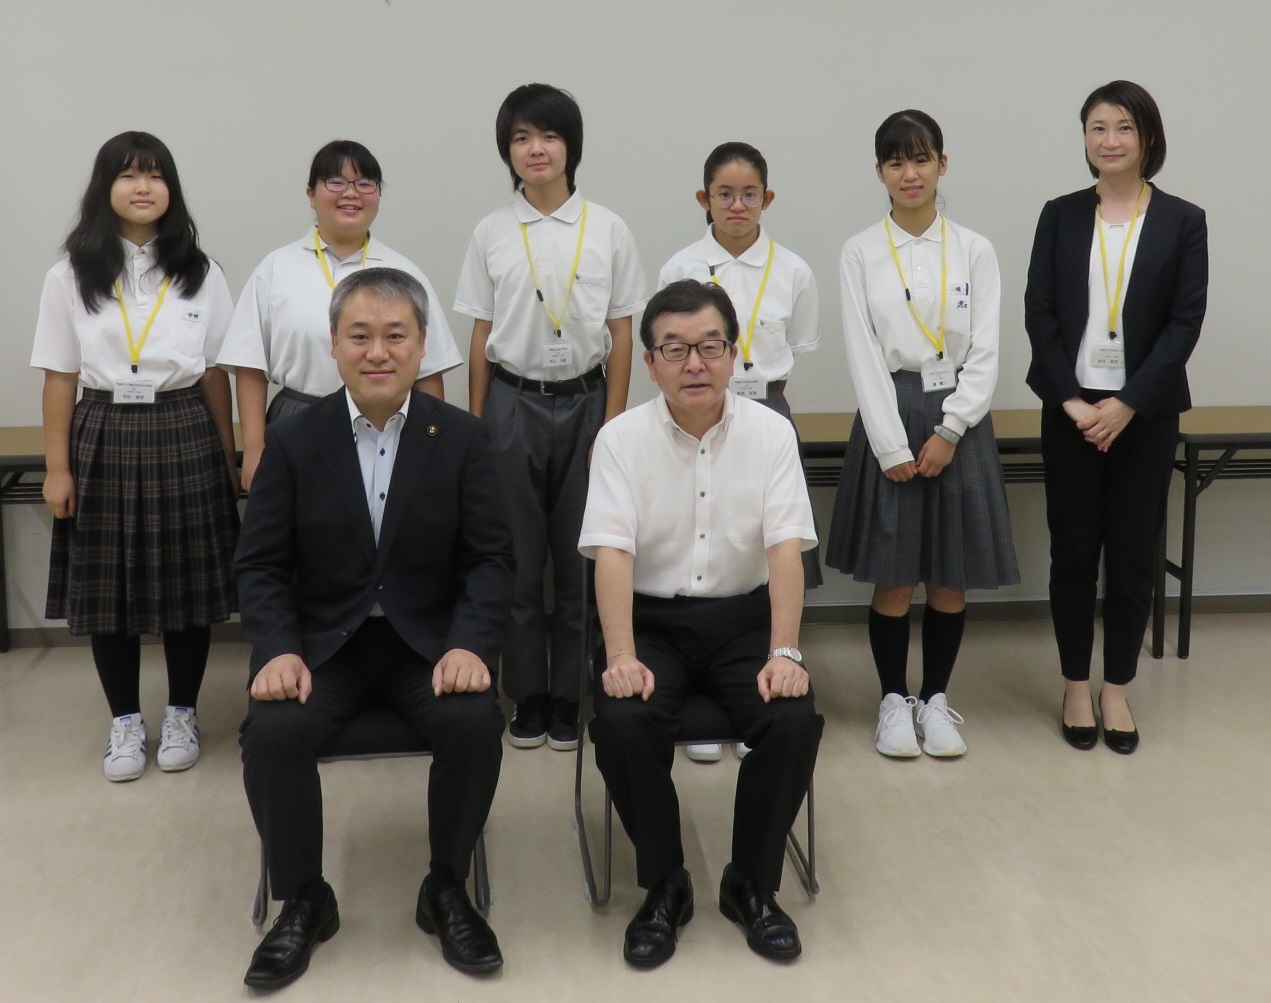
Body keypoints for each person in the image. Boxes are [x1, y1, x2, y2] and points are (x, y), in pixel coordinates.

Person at [236, 268, 514, 989]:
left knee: (474, 719)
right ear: (333, 344)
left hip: (428, 646)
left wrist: (469, 642)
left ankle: (445, 886)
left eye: (396, 335)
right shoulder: (293, 440)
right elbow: (260, 564)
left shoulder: (461, 438)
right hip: (326, 648)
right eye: (359, 336)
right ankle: (304, 898)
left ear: (422, 346)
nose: (378, 352)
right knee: (272, 731)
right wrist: (278, 650)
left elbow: (490, 559)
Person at [580, 279, 823, 968]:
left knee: (792, 717)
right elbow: (612, 553)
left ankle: (750, 883)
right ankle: (665, 883)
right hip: (651, 622)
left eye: (710, 346)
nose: (694, 364)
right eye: (675, 349)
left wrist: (785, 651)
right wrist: (620, 654)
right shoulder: (620, 439)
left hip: (745, 620)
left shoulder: (771, 433)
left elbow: (785, 549)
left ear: (733, 354)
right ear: (649, 362)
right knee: (623, 719)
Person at [31, 131, 239, 782]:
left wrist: (228, 457)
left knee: (187, 585)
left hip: (184, 425)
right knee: (108, 587)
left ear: (171, 189)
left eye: (155, 175)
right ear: (106, 188)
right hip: (102, 427)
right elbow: (60, 375)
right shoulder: (70, 273)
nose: (143, 187)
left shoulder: (201, 271)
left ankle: (182, 711)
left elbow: (216, 373)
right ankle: (124, 719)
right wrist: (57, 467)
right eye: (128, 175)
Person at [455, 83, 646, 753]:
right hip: (511, 402)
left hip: (588, 402)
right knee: (515, 558)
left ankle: (570, 695)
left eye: (549, 136)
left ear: (571, 147)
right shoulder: (491, 231)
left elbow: (622, 334)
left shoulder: (608, 228)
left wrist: (612, 427)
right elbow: (480, 334)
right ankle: (527, 694)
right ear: (507, 151)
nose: (535, 149)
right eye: (521, 138)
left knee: (580, 557)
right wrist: (477, 423)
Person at [826, 110, 1019, 759]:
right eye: (895, 161)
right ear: (879, 172)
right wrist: (890, 445)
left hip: (958, 417)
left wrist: (951, 428)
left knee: (947, 575)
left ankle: (935, 701)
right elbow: (861, 353)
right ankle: (893, 701)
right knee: (893, 576)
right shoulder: (860, 251)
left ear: (942, 164)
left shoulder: (973, 248)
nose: (909, 173)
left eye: (920, 159)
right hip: (891, 408)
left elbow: (985, 351)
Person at [1025, 81, 1207, 755]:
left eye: (1124, 127)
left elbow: (1184, 322)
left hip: (1144, 415)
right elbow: (1039, 313)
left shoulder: (1182, 220)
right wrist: (1073, 403)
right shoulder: (1060, 215)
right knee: (1073, 552)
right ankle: (1076, 684)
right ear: (1084, 138)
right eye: (1097, 127)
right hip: (1071, 411)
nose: (1109, 140)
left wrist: (1127, 404)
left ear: (1147, 137)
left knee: (1132, 556)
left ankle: (1116, 689)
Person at [659, 143, 822, 762]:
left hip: (766, 411)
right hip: (695, 409)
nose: (736, 205)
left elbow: (794, 353)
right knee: (705, 533)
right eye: (723, 194)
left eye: (749, 194)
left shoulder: (794, 270)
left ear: (767, 199)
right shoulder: (681, 267)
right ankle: (702, 701)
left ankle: (767, 677)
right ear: (704, 199)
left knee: (770, 545)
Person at [217, 140, 463, 490]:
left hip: (388, 423)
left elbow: (428, 371)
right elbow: (250, 366)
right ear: (311, 194)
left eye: (365, 183)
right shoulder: (276, 268)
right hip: (299, 416)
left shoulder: (404, 272)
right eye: (336, 182)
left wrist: (431, 448)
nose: (351, 193)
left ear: (378, 194)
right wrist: (255, 449)